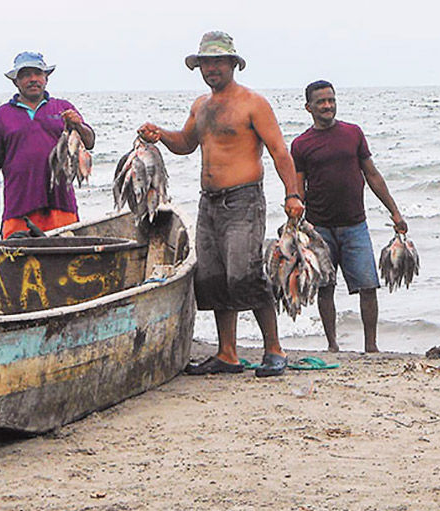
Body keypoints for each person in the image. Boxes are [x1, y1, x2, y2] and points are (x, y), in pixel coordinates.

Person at [138, 31, 304, 378]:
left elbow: (279, 151)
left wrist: (292, 195)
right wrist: (160, 135)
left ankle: (274, 349)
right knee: (213, 277)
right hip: (208, 202)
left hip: (244, 200)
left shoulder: (253, 103)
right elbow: (185, 143)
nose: (211, 68)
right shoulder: (201, 105)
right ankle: (227, 353)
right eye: (205, 63)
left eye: (217, 62)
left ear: (232, 63)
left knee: (245, 273)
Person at [291, 80, 405, 353]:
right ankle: (332, 345)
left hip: (355, 225)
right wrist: (294, 223)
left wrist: (395, 211)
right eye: (321, 102)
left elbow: (372, 174)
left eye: (331, 100)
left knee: (368, 286)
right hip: (319, 229)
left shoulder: (353, 133)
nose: (327, 105)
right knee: (325, 288)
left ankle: (371, 346)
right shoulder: (300, 144)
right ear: (309, 107)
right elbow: (297, 188)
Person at [0, 52, 95, 239]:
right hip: (19, 209)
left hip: (61, 206)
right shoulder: (2, 116)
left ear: (46, 78)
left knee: (65, 260)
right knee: (19, 262)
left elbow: (89, 142)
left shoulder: (63, 108)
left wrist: (78, 124)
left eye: (38, 74)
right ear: (16, 81)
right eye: (26, 75)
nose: (33, 79)